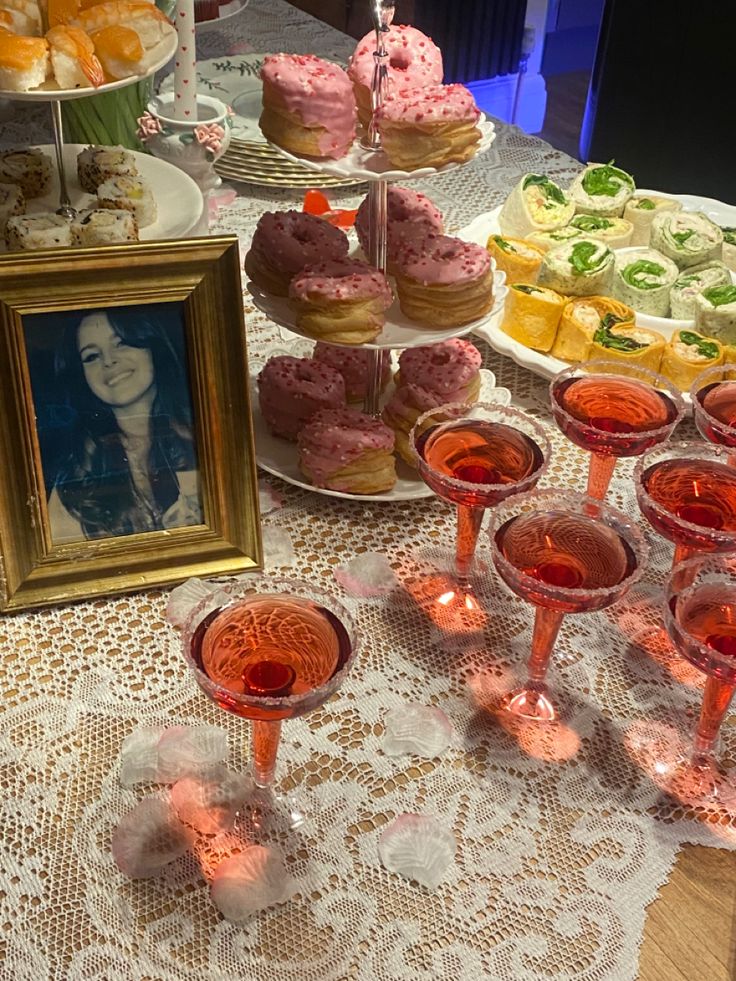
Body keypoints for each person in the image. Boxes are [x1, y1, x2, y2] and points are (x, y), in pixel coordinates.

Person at [46, 305, 202, 543]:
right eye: (92, 356)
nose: (108, 361)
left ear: (151, 346)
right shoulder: (78, 480)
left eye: (120, 342)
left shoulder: (205, 437)